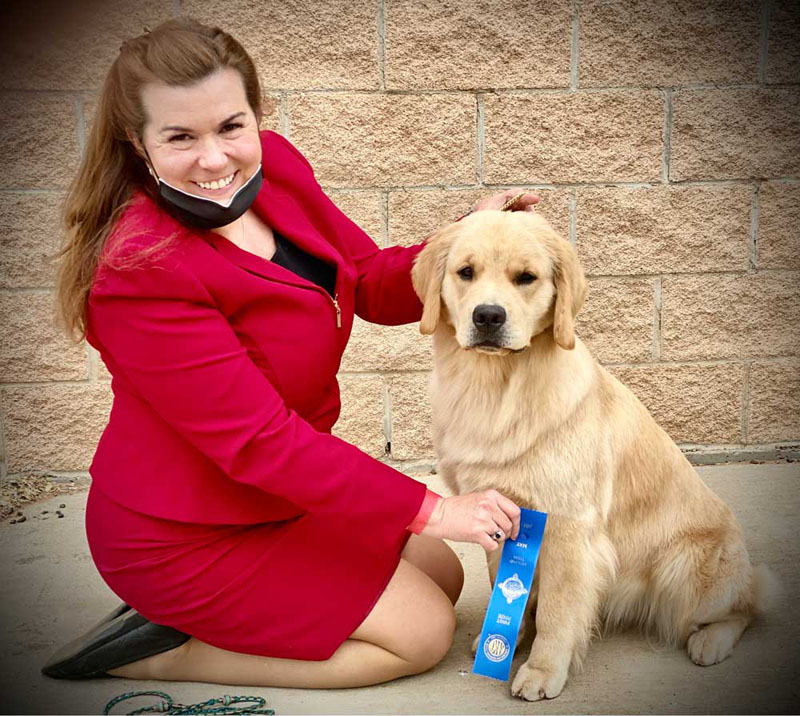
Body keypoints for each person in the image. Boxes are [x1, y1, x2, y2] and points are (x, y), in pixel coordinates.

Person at [43, 18, 538, 688]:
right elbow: (261, 441)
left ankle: (226, 616)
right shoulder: (140, 268)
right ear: (138, 142)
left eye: (229, 127)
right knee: (420, 635)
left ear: (256, 116)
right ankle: (159, 651)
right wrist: (437, 509)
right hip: (184, 533)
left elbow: (366, 278)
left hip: (276, 497)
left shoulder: (274, 167)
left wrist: (463, 247)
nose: (215, 159)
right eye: (180, 137)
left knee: (442, 576)